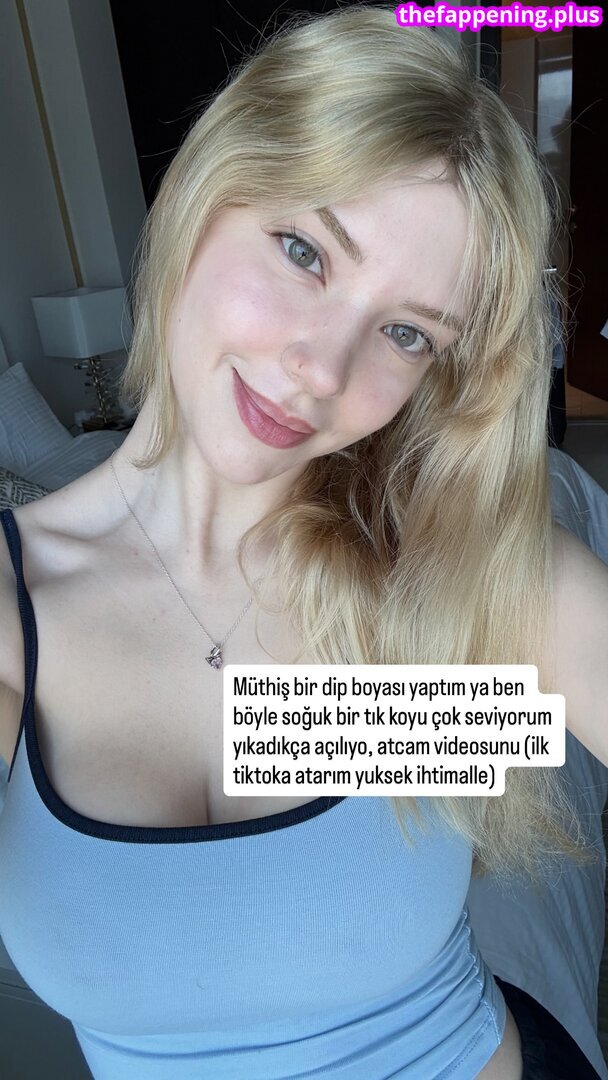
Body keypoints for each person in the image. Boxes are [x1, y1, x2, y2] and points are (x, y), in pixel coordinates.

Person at [0, 6, 607, 1078]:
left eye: (406, 332)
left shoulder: (456, 568)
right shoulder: (19, 610)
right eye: (304, 252)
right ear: (203, 197)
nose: (321, 370)